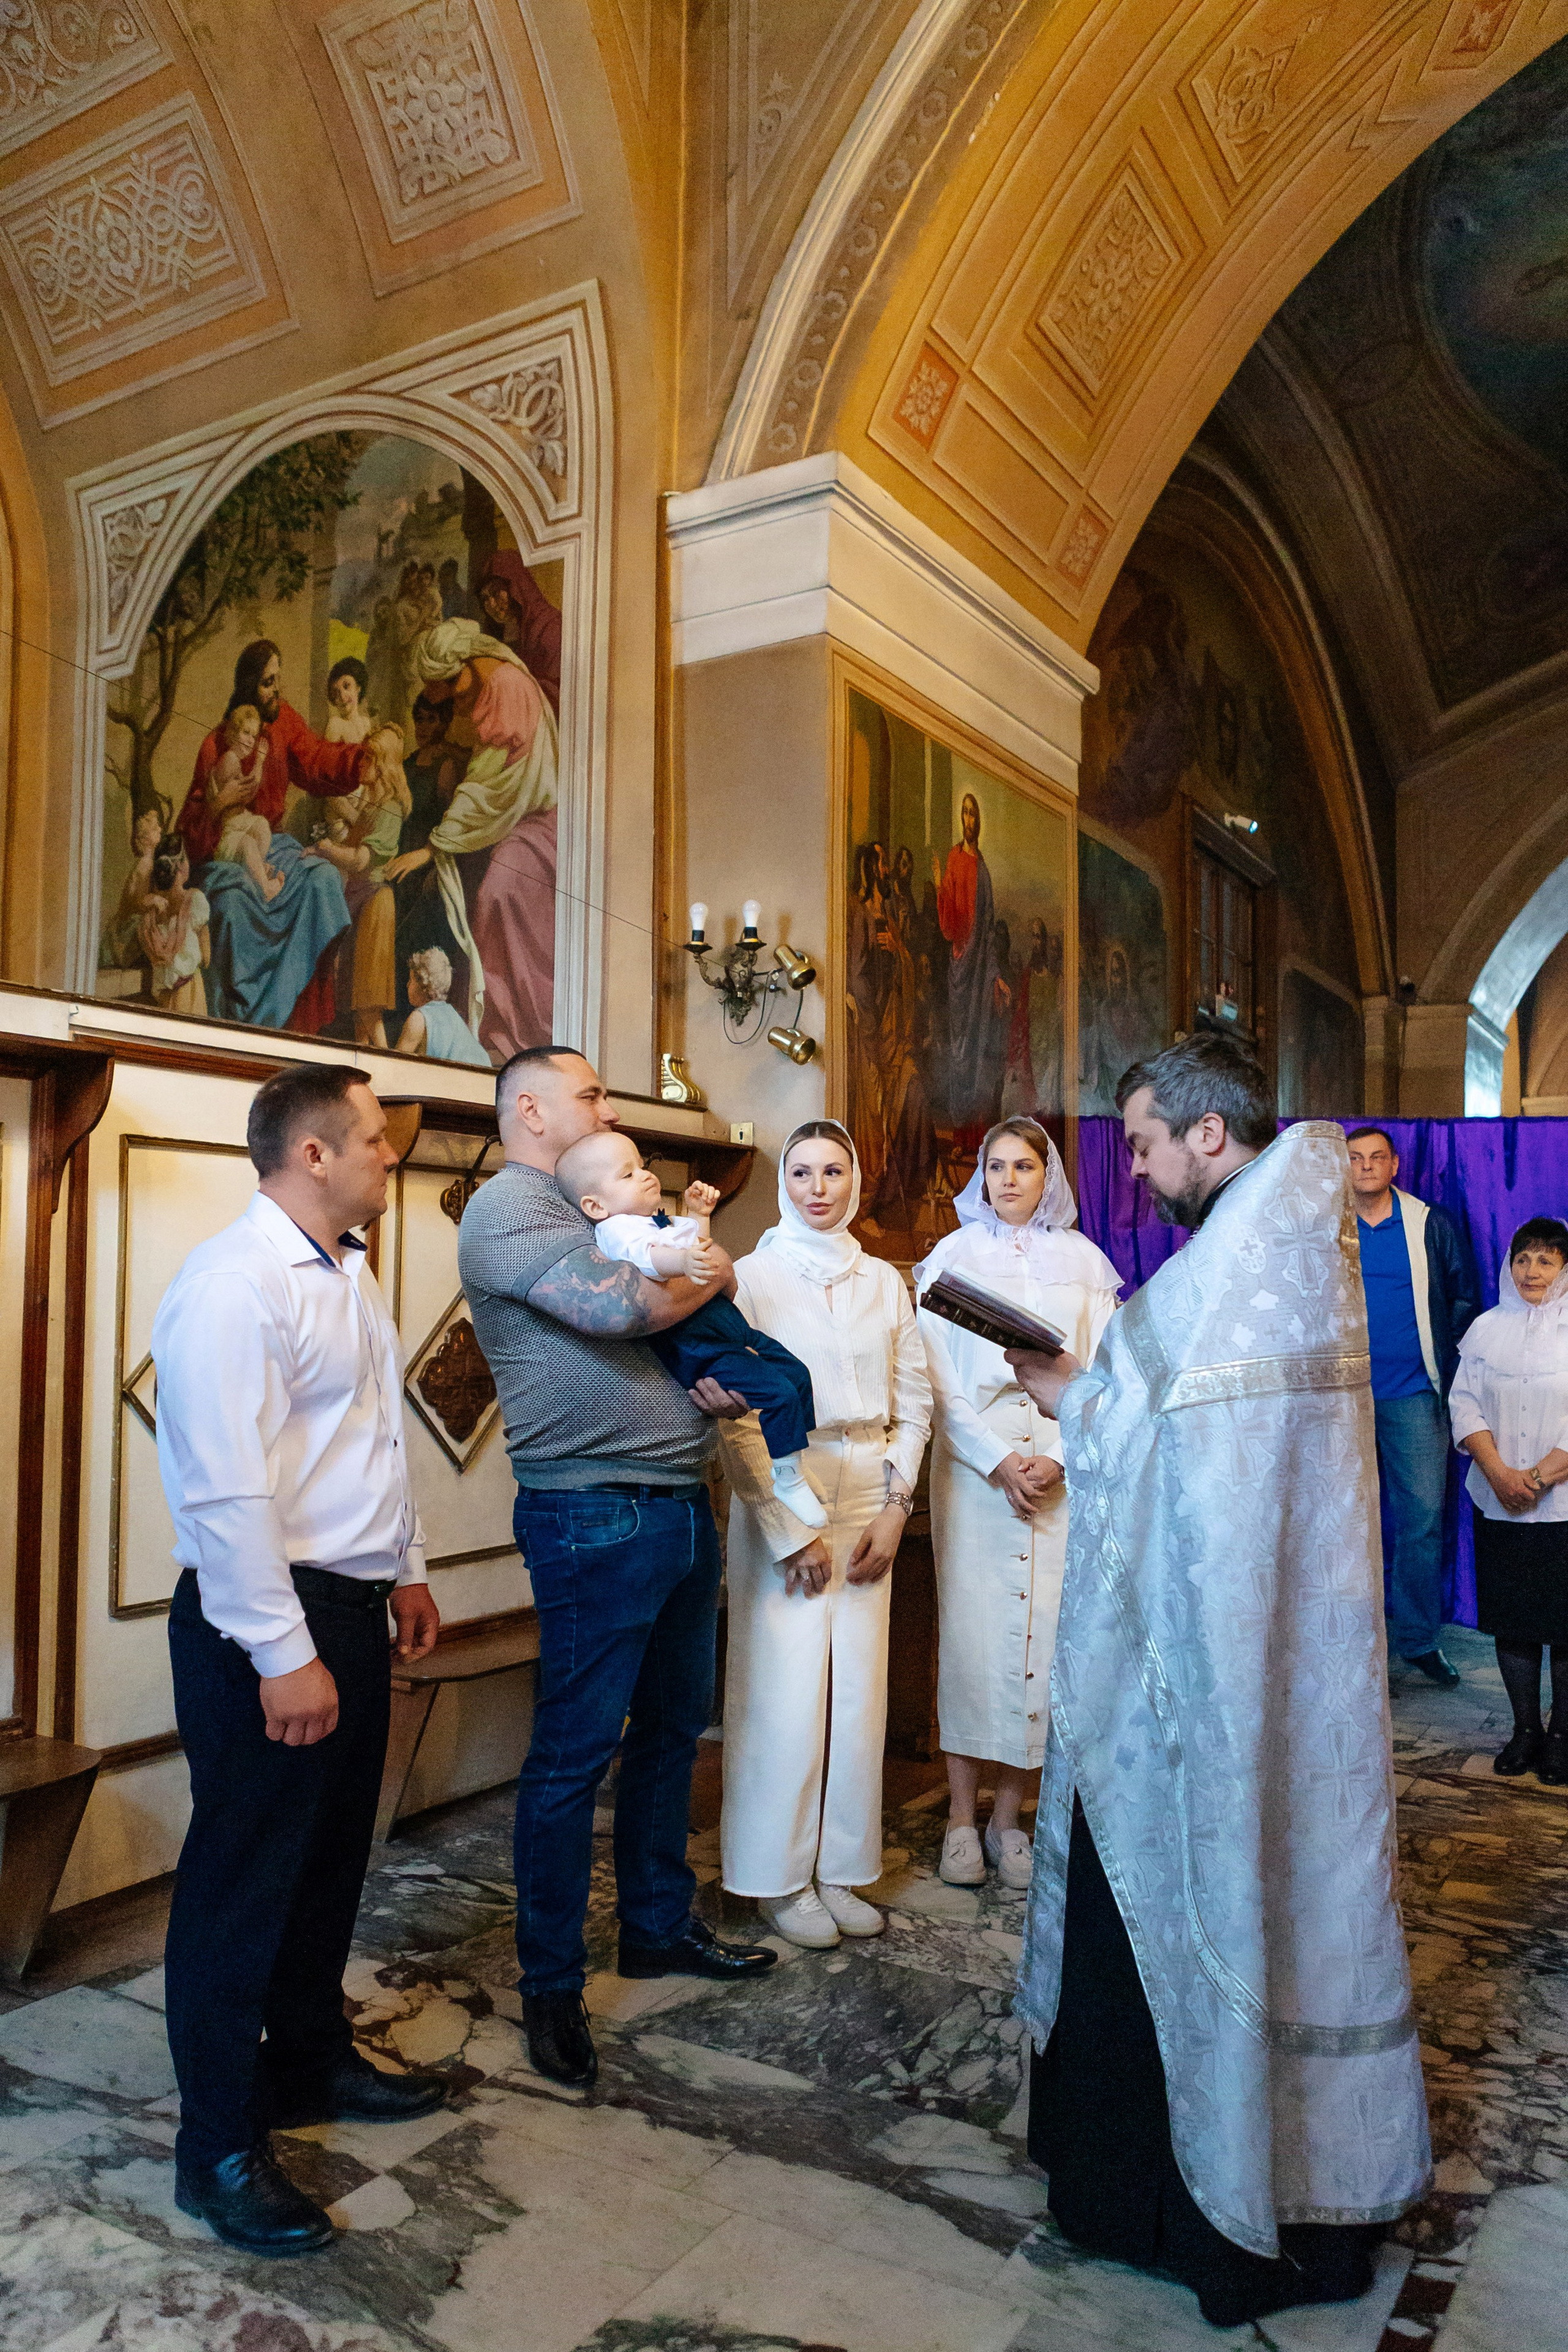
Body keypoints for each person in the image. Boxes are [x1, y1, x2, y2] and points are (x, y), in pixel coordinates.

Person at [1006, 1035, 1428, 2329]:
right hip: (1270, 1662)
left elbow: (1161, 1445)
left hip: (1202, 1689)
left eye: (1139, 1143)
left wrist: (1065, 1395)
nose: (1129, 1172)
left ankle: (1190, 2202)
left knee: (1211, 1884)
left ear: (1206, 1133)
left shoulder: (1238, 1260)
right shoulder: (1288, 1238)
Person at [458, 1049, 804, 2090]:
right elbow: (622, 1311)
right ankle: (552, 1987)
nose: (608, 1108)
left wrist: (702, 1292)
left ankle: (657, 1924)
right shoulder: (510, 1209)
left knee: (668, 1733)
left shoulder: (594, 1201)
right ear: (531, 1110)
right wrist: (718, 1267)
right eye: (592, 1094)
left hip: (676, 1503)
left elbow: (674, 1298)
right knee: (571, 1756)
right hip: (590, 1511)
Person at [151, 1066, 445, 2258]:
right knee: (242, 1886)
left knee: (327, 1865)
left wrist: (409, 1565)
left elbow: (370, 1437)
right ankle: (214, 2147)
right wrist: (284, 1653)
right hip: (263, 1626)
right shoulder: (230, 1285)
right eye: (375, 1139)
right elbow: (223, 1490)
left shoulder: (349, 1270)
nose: (391, 1155)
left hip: (351, 1607)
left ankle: (309, 2063)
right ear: (314, 1155)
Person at [715, 1121, 932, 1950]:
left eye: (834, 1170)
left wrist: (896, 1506)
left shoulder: (883, 1280)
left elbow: (916, 1399)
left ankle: (841, 1867)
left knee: (859, 1692)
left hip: (869, 1482)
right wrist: (783, 1528)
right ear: (786, 1184)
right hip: (789, 1480)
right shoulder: (754, 1279)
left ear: (857, 1179)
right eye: (802, 1171)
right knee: (785, 1690)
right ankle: (777, 1875)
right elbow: (735, 1416)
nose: (818, 1187)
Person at [916, 1119, 1120, 1890]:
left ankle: (1011, 1818)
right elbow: (933, 1377)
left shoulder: (1085, 1264)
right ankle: (960, 1820)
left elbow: (1104, 1373)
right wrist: (997, 1458)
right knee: (973, 1640)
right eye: (995, 1166)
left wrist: (1062, 1457)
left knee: (1044, 1638)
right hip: (976, 1461)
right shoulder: (950, 1259)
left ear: (1047, 1177)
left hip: (1060, 1453)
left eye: (1023, 1166)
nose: (1008, 1180)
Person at [556, 1129, 824, 1525]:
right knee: (780, 1392)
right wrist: (682, 1264)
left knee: (798, 1375)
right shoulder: (616, 1229)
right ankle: (787, 1477)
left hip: (724, 1325)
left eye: (642, 1166)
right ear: (595, 1205)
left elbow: (697, 1250)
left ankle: (792, 1466)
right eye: (627, 1175)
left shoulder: (651, 1220)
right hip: (695, 1342)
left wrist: (699, 1217)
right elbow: (650, 1259)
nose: (646, 1175)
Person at [175, 642, 376, 1033]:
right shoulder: (217, 745)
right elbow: (193, 827)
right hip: (226, 853)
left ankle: (300, 1026)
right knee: (232, 907)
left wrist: (358, 761)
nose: (276, 690)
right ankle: (241, 1027)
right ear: (250, 684)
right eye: (268, 682)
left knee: (323, 880)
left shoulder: (284, 723)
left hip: (274, 844)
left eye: (278, 680)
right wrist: (218, 809)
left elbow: (317, 760)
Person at [385, 620, 557, 1062]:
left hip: (534, 821)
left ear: (467, 661)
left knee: (495, 894)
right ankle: (494, 1030)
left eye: (456, 693)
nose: (460, 708)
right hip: (504, 823)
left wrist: (434, 846)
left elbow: (487, 787)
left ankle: (514, 1033)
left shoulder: (505, 687)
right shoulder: (492, 685)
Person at [1346, 1125, 1479, 1685]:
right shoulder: (1326, 1226)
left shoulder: (1430, 1224)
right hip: (1340, 1401)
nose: (1367, 1167)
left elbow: (1464, 1296)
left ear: (1395, 1165)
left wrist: (1447, 1371)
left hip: (1415, 1395)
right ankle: (1351, 1645)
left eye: (1378, 1157)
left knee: (1421, 1521)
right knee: (1342, 1525)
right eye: (1356, 1158)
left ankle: (1419, 1641)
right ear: (1343, 1167)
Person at [1449, 1217, 1568, 1781]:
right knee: (1513, 1621)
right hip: (1498, 1500)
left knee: (1565, 1625)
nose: (1532, 1270)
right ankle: (1526, 1731)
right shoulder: (1486, 1327)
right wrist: (1499, 1473)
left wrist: (1538, 1480)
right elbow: (1464, 1403)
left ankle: (1564, 1735)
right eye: (1523, 1258)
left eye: (1546, 1260)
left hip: (1563, 1506)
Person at [932, 792, 1001, 1147]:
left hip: (979, 974)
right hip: (962, 968)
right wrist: (941, 890)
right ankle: (960, 1128)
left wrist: (997, 975)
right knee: (960, 1047)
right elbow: (952, 926)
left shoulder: (983, 868)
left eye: (974, 814)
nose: (969, 820)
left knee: (977, 1048)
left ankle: (974, 1134)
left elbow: (988, 930)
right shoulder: (955, 859)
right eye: (965, 814)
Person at [208, 706, 283, 902]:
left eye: (254, 735)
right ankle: (265, 889)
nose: (251, 740)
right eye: (246, 733)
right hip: (228, 831)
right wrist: (259, 762)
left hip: (239, 821)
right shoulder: (229, 760)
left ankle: (257, 868)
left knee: (261, 826)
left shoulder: (234, 760)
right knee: (249, 843)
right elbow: (247, 794)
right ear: (233, 734)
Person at [476, 547, 562, 714]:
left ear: (517, 587)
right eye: (485, 598)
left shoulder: (550, 626)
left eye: (496, 593)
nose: (492, 605)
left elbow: (557, 690)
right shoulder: (501, 632)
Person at [138, 837, 211, 1015]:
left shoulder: (151, 911)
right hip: (189, 991)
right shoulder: (195, 901)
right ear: (180, 867)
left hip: (162, 996)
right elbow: (206, 959)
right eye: (185, 859)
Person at [396, 947, 491, 1064]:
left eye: (411, 980)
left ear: (423, 984)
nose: (407, 985)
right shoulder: (452, 1014)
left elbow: (397, 1065)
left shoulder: (418, 1018)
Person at [322, 656, 375, 746]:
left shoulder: (366, 723)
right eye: (336, 692)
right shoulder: (335, 724)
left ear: (358, 688)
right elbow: (329, 758)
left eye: (346, 687)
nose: (342, 697)